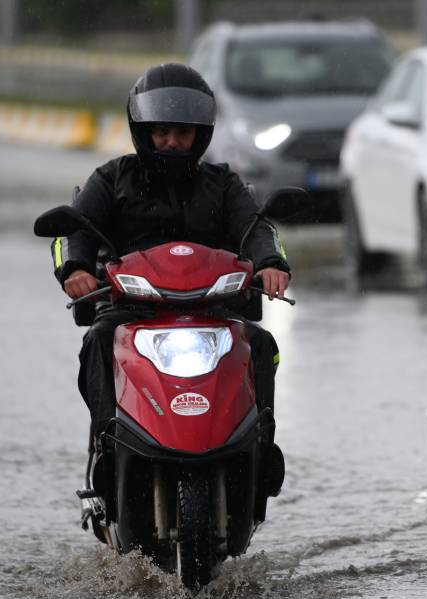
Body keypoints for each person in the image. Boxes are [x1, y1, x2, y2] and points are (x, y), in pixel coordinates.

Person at [50, 63, 291, 486]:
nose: (172, 142)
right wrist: (76, 269)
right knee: (97, 342)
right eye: (162, 132)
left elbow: (258, 228)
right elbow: (74, 229)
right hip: (131, 310)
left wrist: (271, 264)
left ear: (202, 134)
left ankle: (261, 447)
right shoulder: (112, 178)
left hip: (214, 310)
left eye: (183, 133)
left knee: (262, 344)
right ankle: (107, 448)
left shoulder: (223, 183)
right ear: (143, 130)